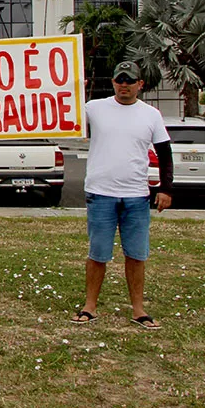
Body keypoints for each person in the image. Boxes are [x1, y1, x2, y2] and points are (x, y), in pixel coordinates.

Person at [73, 61, 173, 330]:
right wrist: (74, 92)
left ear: (140, 84)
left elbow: (165, 154)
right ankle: (90, 306)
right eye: (120, 80)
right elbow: (65, 115)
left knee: (137, 255)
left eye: (130, 80)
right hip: (100, 193)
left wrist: (165, 188)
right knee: (98, 254)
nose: (124, 85)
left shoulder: (151, 115)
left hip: (136, 197)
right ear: (114, 82)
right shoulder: (94, 108)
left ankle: (138, 310)